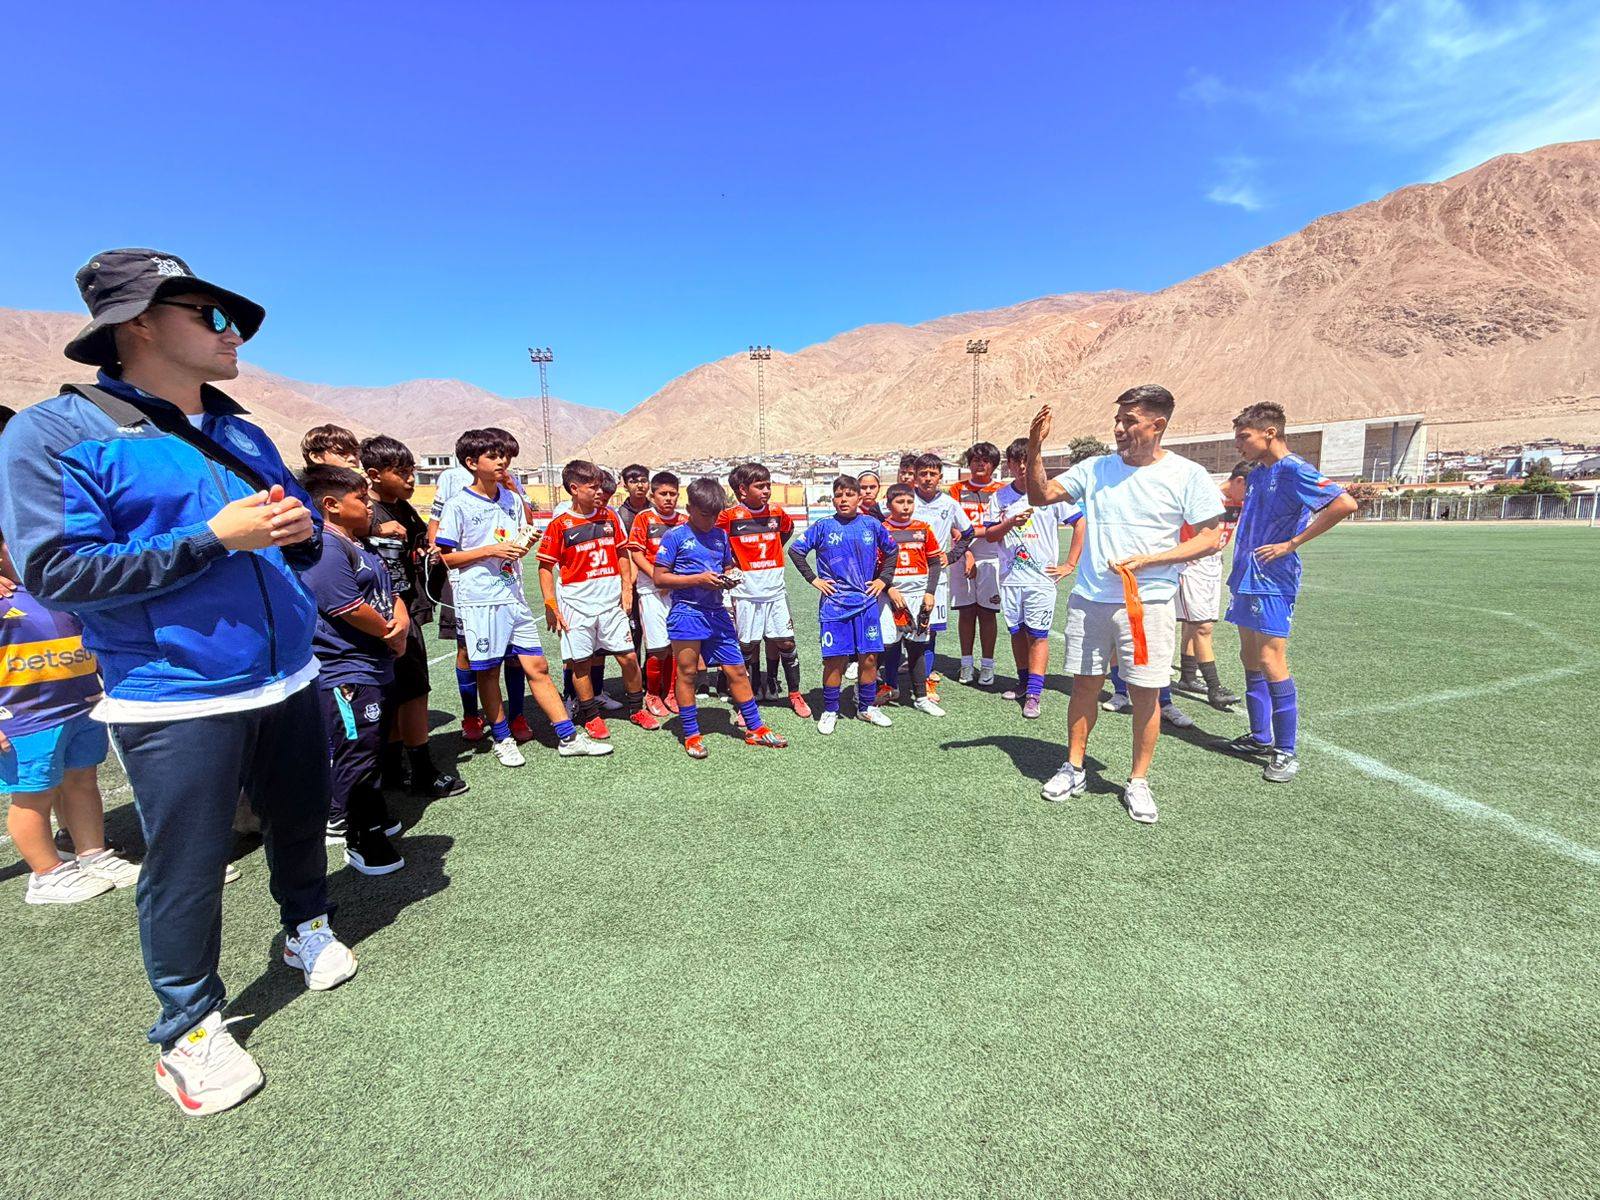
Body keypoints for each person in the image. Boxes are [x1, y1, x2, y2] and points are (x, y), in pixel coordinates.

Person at [0, 248, 356, 1114]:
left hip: (289, 673)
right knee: (188, 864)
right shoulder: (53, 434)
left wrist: (300, 531)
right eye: (210, 316)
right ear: (138, 326)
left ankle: (303, 925)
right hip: (176, 692)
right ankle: (188, 1028)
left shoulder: (238, 427)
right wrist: (216, 537)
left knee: (302, 817)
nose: (234, 333)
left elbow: (290, 529)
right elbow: (57, 572)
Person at [1024, 385, 1226, 824]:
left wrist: (1152, 560)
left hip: (1147, 603)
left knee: (1145, 694)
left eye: (1130, 421)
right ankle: (1074, 767)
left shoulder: (1188, 475)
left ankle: (1138, 781)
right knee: (1083, 687)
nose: (1119, 429)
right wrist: (1035, 449)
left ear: (1158, 425)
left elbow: (1212, 537)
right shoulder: (1094, 468)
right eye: (1118, 420)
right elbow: (1040, 496)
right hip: (1090, 599)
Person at [435, 433, 608, 765]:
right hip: (480, 600)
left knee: (537, 666)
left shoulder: (513, 501)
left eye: (503, 456)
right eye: (492, 456)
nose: (502, 462)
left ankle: (568, 736)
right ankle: (502, 738)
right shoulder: (459, 504)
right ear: (472, 464)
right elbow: (446, 557)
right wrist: (492, 550)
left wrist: (520, 546)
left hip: (513, 596)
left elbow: (514, 543)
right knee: (488, 672)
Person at [1, 530, 140, 904]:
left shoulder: (59, 592)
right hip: (25, 719)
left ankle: (92, 854)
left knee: (82, 781)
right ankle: (46, 874)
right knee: (32, 794)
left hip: (80, 707)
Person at [1224, 403, 1358, 782]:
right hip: (1246, 577)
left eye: (1244, 437)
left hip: (1273, 579)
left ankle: (1286, 750)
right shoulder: (1257, 474)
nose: (1239, 445)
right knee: (1249, 657)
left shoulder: (1295, 469)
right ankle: (1260, 736)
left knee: (1271, 660)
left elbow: (1344, 503)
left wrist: (1292, 543)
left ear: (1269, 433)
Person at [297, 466, 409, 874]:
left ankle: (369, 811)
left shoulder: (358, 544)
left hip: (372, 663)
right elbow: (344, 606)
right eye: (362, 499)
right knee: (356, 747)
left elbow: (389, 592)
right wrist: (389, 634)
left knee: (370, 744)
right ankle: (358, 835)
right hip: (345, 670)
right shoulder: (325, 547)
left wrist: (402, 622)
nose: (369, 506)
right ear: (332, 505)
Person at [361, 435, 468, 799]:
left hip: (403, 609)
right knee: (413, 693)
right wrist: (373, 532)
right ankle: (421, 771)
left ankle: (392, 769)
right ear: (374, 475)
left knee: (400, 690)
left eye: (412, 472)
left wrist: (426, 551)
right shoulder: (367, 513)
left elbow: (419, 545)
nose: (410, 480)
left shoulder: (402, 508)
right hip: (389, 616)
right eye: (403, 473)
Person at [652, 478, 788, 758]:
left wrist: (731, 577)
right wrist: (698, 579)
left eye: (715, 514)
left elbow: (727, 564)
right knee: (688, 672)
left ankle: (755, 728)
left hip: (718, 613)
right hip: (687, 612)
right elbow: (659, 578)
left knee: (737, 670)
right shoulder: (675, 536)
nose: (710, 520)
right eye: (704, 514)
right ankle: (691, 734)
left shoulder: (720, 535)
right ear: (689, 508)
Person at [537, 460, 657, 737]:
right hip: (576, 605)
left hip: (610, 603)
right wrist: (551, 605)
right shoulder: (560, 525)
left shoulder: (610, 517)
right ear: (574, 489)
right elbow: (544, 567)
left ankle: (636, 709)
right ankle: (591, 715)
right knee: (581, 662)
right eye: (592, 487)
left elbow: (621, 554)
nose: (599, 492)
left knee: (627, 657)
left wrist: (627, 588)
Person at [788, 475, 899, 734]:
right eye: (838, 495)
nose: (843, 499)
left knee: (869, 658)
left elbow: (892, 550)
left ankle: (867, 707)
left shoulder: (872, 524)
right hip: (834, 606)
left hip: (866, 603)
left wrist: (883, 579)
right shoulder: (823, 526)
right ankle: (830, 709)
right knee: (834, 661)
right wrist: (813, 579)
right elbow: (796, 551)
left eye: (849, 494)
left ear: (859, 498)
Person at [982, 437, 1084, 720]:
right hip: (1010, 578)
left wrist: (1069, 564)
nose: (1024, 467)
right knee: (1017, 632)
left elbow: (1080, 522)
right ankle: (1023, 681)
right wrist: (1008, 523)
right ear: (1011, 465)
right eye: (1019, 462)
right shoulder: (1000, 497)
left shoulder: (1050, 494)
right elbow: (990, 535)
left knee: (1038, 635)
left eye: (1031, 461)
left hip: (1041, 579)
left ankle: (1035, 694)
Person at [718, 462, 808, 718]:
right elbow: (715, 541)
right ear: (742, 490)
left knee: (786, 641)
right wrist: (730, 563)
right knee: (747, 645)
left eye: (768, 485)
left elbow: (786, 532)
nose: (767, 491)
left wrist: (771, 553)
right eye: (760, 486)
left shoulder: (777, 513)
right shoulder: (729, 517)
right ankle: (746, 694)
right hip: (745, 593)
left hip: (775, 591)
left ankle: (794, 694)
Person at [1172, 462, 1250, 711]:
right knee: (1201, 625)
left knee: (1192, 624)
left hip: (1213, 564)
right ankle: (1215, 688)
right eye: (1249, 488)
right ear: (1238, 481)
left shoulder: (1238, 501)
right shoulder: (1209, 496)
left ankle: (1187, 675)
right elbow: (1185, 528)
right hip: (1192, 564)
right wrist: (1188, 552)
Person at [877, 483, 945, 716]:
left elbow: (935, 563)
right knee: (887, 644)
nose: (906, 507)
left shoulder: (923, 529)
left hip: (918, 595)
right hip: (891, 595)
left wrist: (930, 593)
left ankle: (921, 697)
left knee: (917, 646)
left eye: (909, 502)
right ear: (888, 504)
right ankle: (878, 688)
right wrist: (890, 588)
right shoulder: (881, 529)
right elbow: (874, 566)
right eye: (900, 502)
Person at [625, 471, 688, 718]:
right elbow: (636, 553)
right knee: (657, 647)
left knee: (676, 644)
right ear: (653, 495)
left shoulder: (684, 520)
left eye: (673, 494)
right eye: (663, 494)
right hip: (651, 590)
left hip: (678, 589)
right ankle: (652, 693)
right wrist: (657, 577)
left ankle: (671, 692)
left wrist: (675, 579)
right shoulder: (644, 519)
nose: (669, 498)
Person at [911, 453, 972, 699]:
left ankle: (925, 682)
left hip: (935, 575)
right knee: (899, 627)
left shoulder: (949, 504)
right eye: (923, 473)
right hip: (905, 575)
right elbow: (881, 523)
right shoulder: (904, 499)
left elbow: (967, 533)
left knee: (929, 630)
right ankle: (890, 681)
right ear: (915, 476)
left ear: (940, 477)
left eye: (932, 474)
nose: (927, 478)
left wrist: (953, 555)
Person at [950, 442, 1003, 685]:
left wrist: (973, 535)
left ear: (993, 464)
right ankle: (966, 664)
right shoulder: (957, 490)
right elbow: (952, 524)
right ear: (968, 463)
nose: (980, 464)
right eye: (975, 460)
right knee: (966, 612)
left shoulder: (1003, 490)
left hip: (992, 558)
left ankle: (988, 665)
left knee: (988, 613)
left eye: (985, 460)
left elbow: (1000, 527)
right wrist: (965, 552)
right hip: (962, 557)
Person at [616, 463, 652, 532]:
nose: (640, 485)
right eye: (634, 482)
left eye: (644, 481)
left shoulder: (656, 511)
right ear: (625, 487)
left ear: (649, 485)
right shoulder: (619, 516)